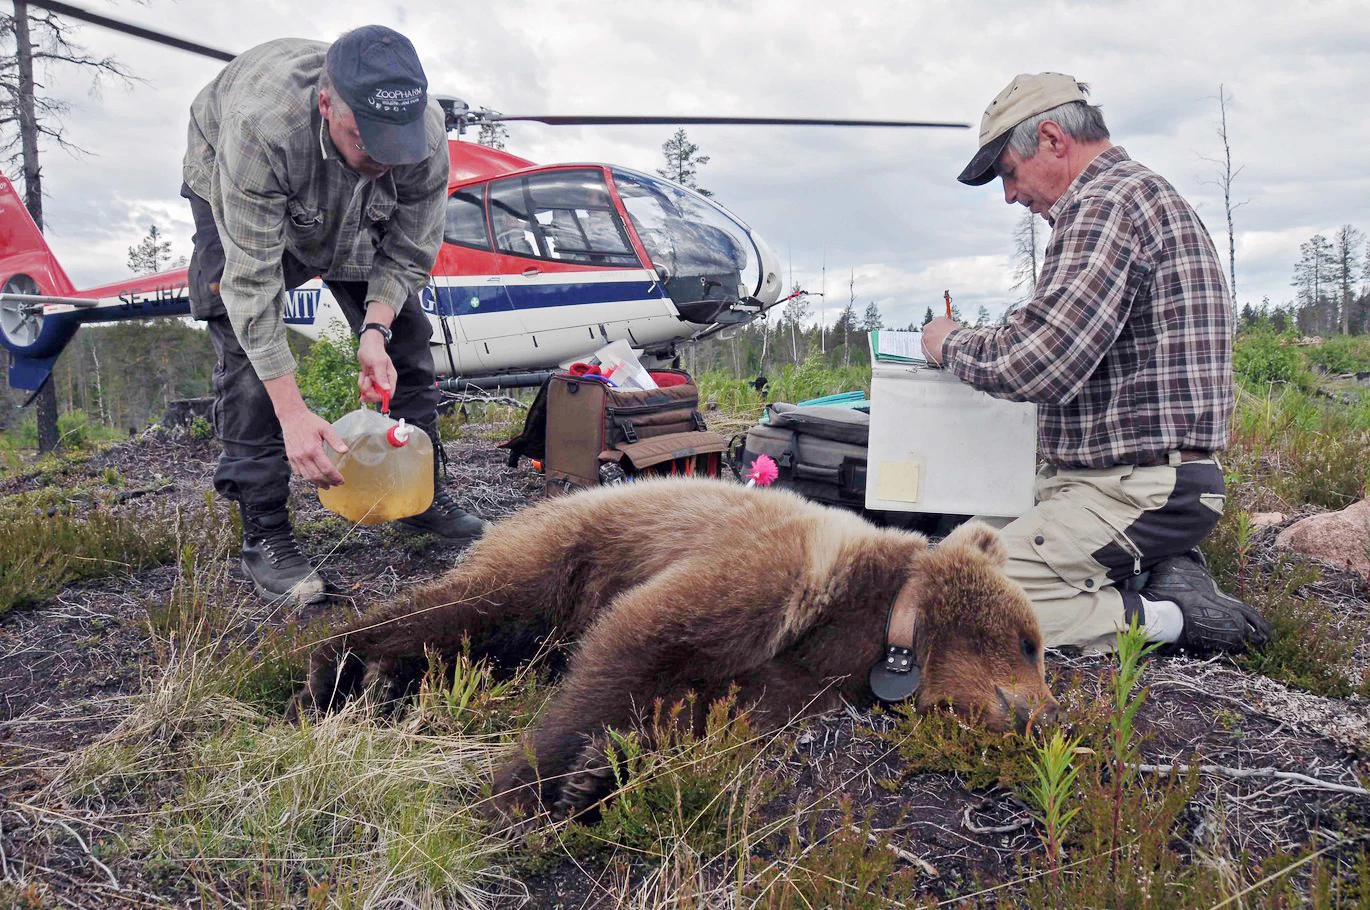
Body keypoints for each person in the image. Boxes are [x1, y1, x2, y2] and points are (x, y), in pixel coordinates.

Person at [921, 72, 1272, 654]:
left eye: (1007, 172)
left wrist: (948, 342)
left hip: (1142, 490)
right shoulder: (1131, 197)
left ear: (1055, 140)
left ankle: (1177, 618)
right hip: (1115, 483)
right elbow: (1059, 340)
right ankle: (1157, 566)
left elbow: (1040, 363)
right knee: (952, 558)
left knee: (962, 601)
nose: (1009, 195)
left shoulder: (1105, 204)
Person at [182, 25, 487, 605]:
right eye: (366, 140)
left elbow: (410, 247)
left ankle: (418, 495)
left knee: (405, 337)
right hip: (245, 178)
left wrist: (375, 329)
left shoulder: (421, 136)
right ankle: (265, 534)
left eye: (394, 147)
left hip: (348, 207)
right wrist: (294, 414)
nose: (381, 159)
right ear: (327, 105)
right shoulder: (261, 129)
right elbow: (252, 287)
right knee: (250, 369)